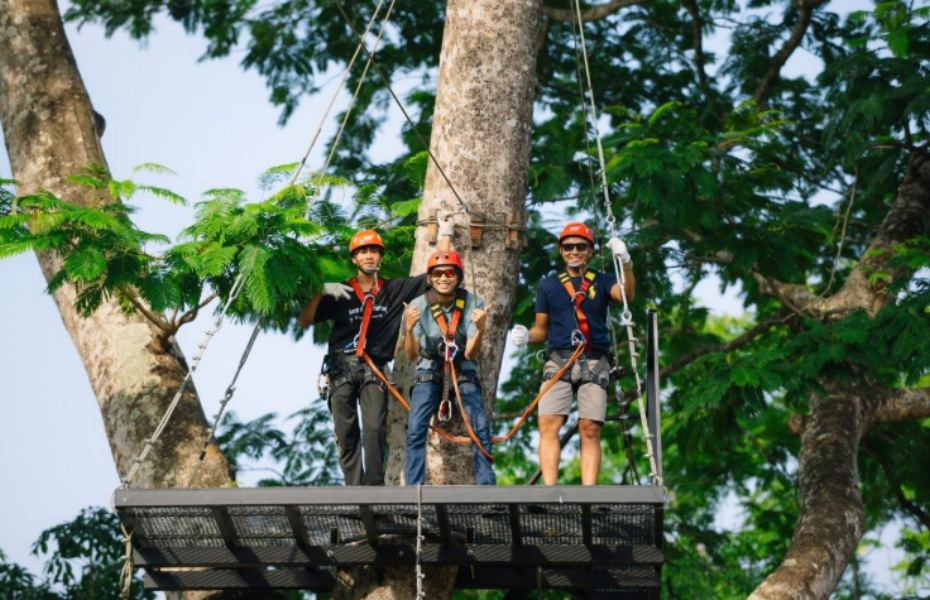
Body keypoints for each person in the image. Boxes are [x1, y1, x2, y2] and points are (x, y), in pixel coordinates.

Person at [298, 224, 454, 486]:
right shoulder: (342, 293)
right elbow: (304, 320)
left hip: (374, 370)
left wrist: (446, 235)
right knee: (346, 434)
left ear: (380, 257)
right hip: (341, 368)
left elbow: (436, 274)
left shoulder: (393, 291)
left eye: (373, 251)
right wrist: (321, 291)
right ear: (354, 259)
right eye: (362, 252)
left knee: (374, 430)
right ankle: (354, 491)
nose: (368, 256)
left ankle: (373, 491)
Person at [509, 222, 635, 486]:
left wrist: (625, 262)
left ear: (589, 251)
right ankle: (550, 490)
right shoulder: (549, 286)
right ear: (561, 250)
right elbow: (541, 330)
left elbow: (626, 295)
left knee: (590, 428)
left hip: (594, 360)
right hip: (559, 361)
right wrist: (526, 336)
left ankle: (589, 491)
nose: (574, 251)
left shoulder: (602, 281)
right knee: (547, 423)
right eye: (568, 247)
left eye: (580, 246)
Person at [403, 250, 496, 486]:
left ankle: (487, 486)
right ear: (430, 278)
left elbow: (470, 353)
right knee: (415, 427)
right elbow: (412, 355)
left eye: (449, 273)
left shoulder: (473, 303)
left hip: (462, 367)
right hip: (429, 366)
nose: (444, 277)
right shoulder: (418, 305)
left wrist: (481, 329)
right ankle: (414, 488)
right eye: (438, 273)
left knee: (479, 425)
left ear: (457, 276)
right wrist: (409, 328)